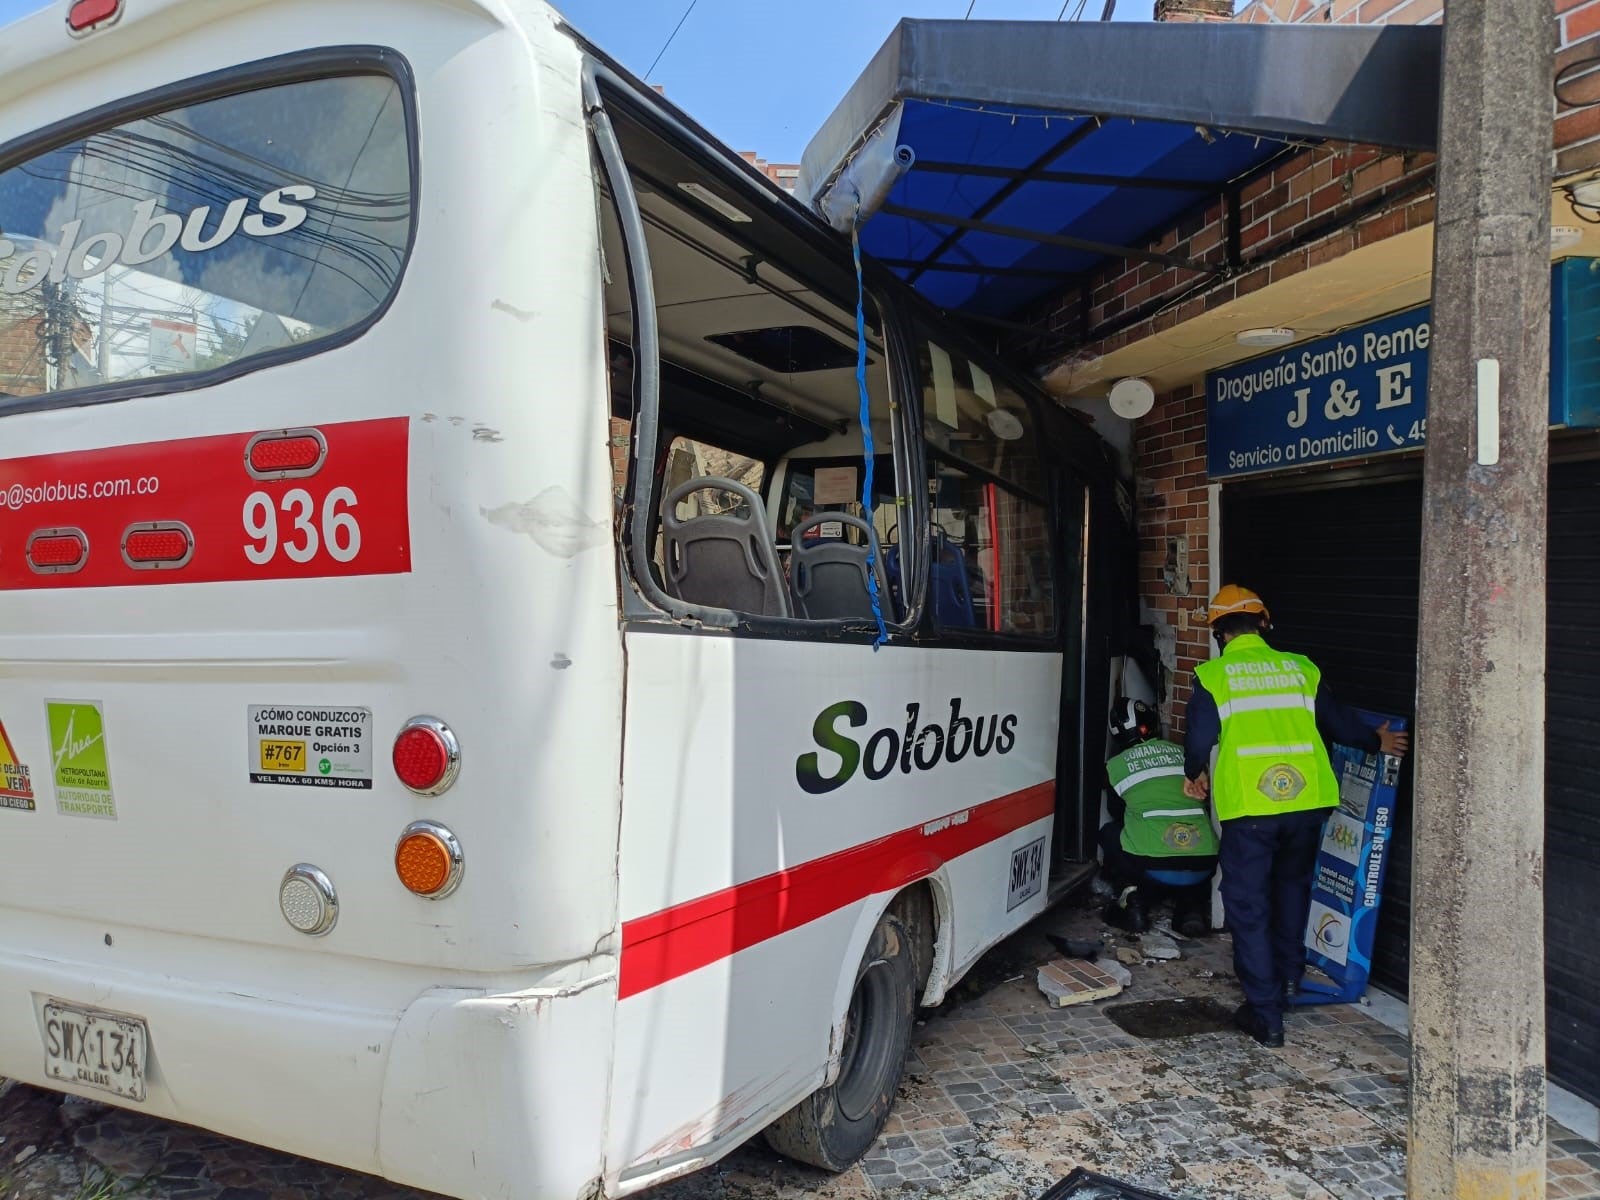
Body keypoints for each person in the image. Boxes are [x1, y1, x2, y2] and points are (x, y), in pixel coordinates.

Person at [1182, 585, 1409, 1048]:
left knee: (1247, 906)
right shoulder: (1301, 668)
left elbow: (1197, 739)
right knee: (1291, 891)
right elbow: (1340, 722)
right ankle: (1287, 982)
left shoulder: (1213, 676)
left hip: (1252, 809)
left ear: (1218, 633)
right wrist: (1377, 741)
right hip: (1307, 806)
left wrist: (1195, 774)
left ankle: (1265, 1013)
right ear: (1264, 623)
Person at [1100, 697, 1220, 938]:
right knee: (1187, 854)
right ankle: (1191, 909)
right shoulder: (1185, 754)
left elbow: (1116, 811)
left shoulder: (1115, 766)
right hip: (1205, 862)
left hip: (1152, 866)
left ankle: (1132, 901)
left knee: (1110, 834)